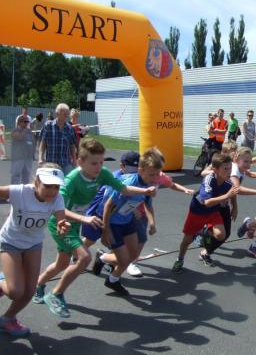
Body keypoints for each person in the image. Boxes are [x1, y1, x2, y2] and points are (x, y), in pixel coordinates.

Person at [32, 138, 156, 318]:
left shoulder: (103, 173)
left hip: (76, 223)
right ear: (79, 161)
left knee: (62, 263)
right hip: (61, 224)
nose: (98, 167)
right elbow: (58, 209)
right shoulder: (72, 179)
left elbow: (123, 189)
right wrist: (84, 218)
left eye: (101, 162)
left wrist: (144, 192)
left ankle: (39, 285)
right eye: (93, 163)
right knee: (84, 257)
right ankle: (56, 294)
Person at [0, 165, 70, 337]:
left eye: (56, 187)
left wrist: (63, 225)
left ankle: (7, 319)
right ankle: (2, 280)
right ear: (37, 181)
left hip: (33, 245)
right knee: (15, 292)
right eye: (48, 186)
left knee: (29, 291)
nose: (52, 191)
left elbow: (62, 218)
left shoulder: (57, 198)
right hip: (10, 242)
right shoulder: (20, 192)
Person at [88, 148, 164, 295]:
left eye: (157, 174)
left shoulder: (150, 184)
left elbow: (147, 203)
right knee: (124, 260)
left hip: (127, 220)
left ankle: (106, 265)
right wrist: (106, 230)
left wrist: (152, 222)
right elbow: (108, 205)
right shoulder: (129, 181)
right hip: (113, 222)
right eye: (151, 174)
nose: (155, 178)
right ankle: (110, 273)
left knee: (133, 255)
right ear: (140, 170)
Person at [172, 153, 239, 274]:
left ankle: (202, 232)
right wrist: (227, 196)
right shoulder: (208, 180)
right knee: (187, 240)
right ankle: (180, 259)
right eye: (225, 169)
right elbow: (207, 202)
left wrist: (234, 207)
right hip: (198, 211)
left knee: (221, 235)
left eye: (230, 168)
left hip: (213, 212)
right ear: (215, 169)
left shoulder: (228, 182)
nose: (229, 172)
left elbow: (233, 191)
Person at [38, 103, 77, 175]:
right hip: (51, 164)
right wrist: (40, 157)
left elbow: (72, 145)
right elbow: (43, 143)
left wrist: (74, 160)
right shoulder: (48, 125)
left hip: (65, 163)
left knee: (65, 184)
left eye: (67, 114)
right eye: (64, 114)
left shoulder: (70, 128)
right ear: (57, 114)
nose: (67, 116)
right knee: (52, 185)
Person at [10, 115, 34, 184]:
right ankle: (15, 193)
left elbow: (32, 142)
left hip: (28, 158)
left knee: (26, 177)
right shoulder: (15, 130)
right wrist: (25, 131)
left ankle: (24, 192)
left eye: (27, 122)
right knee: (16, 177)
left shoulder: (29, 132)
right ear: (19, 122)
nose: (27, 123)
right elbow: (19, 137)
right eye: (25, 122)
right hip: (18, 158)